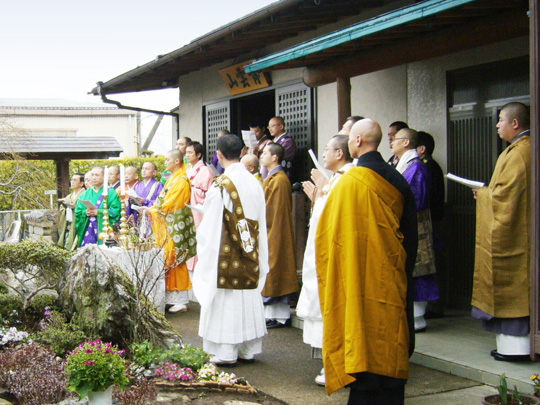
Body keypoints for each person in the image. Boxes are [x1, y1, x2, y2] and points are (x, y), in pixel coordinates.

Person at [316, 118, 417, 404]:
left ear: (357, 141)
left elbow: (329, 238)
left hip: (357, 278)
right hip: (390, 278)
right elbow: (410, 235)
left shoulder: (348, 184)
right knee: (391, 338)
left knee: (360, 337)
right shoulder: (397, 178)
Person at [193, 134, 269, 366]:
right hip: (250, 247)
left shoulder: (221, 185)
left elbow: (212, 223)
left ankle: (226, 351)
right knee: (247, 293)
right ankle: (248, 349)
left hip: (225, 251)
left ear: (219, 155)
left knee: (226, 299)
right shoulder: (255, 182)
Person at [471, 102, 531, 362]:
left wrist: (483, 194)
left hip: (516, 233)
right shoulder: (520, 149)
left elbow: (506, 196)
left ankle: (517, 349)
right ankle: (512, 347)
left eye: (501, 120)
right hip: (521, 230)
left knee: (513, 286)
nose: (497, 125)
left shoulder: (520, 152)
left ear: (515, 124)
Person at [297, 135, 354, 386]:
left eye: (328, 149)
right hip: (322, 252)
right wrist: (318, 196)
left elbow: (333, 215)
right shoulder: (337, 179)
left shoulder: (346, 179)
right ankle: (330, 363)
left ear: (340, 153)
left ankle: (335, 365)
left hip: (334, 254)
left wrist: (320, 194)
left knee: (331, 307)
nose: (324, 154)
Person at [392, 128, 439, 332]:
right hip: (408, 223)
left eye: (395, 139)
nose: (391, 142)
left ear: (406, 143)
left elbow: (414, 199)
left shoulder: (416, 167)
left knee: (418, 270)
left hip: (416, 224)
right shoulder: (405, 164)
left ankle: (418, 316)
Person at [145, 150, 193, 313]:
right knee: (167, 257)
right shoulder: (172, 179)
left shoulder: (182, 180)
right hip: (167, 224)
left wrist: (154, 211)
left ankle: (180, 299)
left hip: (174, 224)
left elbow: (173, 203)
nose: (165, 162)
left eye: (168, 160)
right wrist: (152, 209)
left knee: (175, 257)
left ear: (178, 161)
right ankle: (170, 297)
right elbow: (162, 199)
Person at [260, 142, 299, 328]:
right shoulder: (272, 177)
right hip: (270, 229)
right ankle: (272, 315)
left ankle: (281, 316)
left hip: (276, 230)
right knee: (272, 271)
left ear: (275, 157)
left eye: (266, 152)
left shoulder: (280, 179)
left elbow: (275, 211)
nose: (262, 155)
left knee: (277, 269)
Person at [417, 131, 446, 318]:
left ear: (421, 149)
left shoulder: (427, 166)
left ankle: (435, 305)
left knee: (431, 264)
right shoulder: (425, 165)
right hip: (431, 221)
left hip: (432, 222)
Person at [186, 141, 214, 272]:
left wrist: (194, 190)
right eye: (186, 152)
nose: (187, 155)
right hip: (188, 209)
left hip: (198, 210)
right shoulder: (188, 170)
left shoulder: (205, 171)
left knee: (199, 236)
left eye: (190, 152)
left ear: (199, 155)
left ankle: (201, 267)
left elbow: (208, 194)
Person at [75, 166, 121, 247]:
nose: (94, 178)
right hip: (88, 229)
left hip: (103, 229)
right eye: (92, 175)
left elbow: (116, 212)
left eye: (97, 175)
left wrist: (99, 212)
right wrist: (85, 212)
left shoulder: (111, 192)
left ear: (104, 177)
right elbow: (78, 212)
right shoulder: (86, 193)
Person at [126, 161, 164, 230]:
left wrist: (145, 201)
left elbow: (160, 202)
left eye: (147, 169)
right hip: (138, 218)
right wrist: (131, 201)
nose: (144, 171)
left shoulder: (158, 185)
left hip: (150, 218)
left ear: (154, 172)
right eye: (143, 169)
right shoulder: (138, 186)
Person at [58, 173, 86, 250]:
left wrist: (76, 207)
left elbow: (85, 209)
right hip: (69, 223)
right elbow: (62, 209)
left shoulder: (84, 195)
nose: (72, 182)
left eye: (75, 180)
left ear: (81, 183)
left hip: (77, 223)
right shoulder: (69, 196)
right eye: (72, 180)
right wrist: (65, 207)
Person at [263, 116, 296, 181]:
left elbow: (278, 158)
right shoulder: (272, 141)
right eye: (269, 127)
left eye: (272, 126)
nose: (270, 129)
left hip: (279, 177)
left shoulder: (287, 142)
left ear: (281, 127)